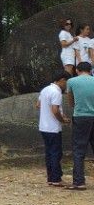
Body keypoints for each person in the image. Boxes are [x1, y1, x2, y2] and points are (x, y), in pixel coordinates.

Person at [37, 71, 71, 187]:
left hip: (43, 126)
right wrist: (62, 120)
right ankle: (56, 178)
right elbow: (55, 110)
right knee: (56, 153)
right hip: (53, 128)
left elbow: (38, 105)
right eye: (66, 82)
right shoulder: (56, 92)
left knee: (49, 152)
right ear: (62, 80)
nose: (66, 86)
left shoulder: (45, 89)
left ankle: (51, 178)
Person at [65, 61, 94, 190]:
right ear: (91, 70)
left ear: (77, 70)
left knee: (79, 150)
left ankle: (79, 182)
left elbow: (71, 102)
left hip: (81, 117)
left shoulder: (71, 82)